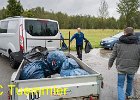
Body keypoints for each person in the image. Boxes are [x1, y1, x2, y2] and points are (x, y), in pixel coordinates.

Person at [108, 27, 140, 100]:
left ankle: (122, 98)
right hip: (133, 68)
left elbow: (113, 55)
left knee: (120, 85)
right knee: (130, 81)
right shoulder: (138, 43)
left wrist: (110, 64)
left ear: (125, 33)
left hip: (121, 68)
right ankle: (127, 95)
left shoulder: (118, 43)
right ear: (133, 33)